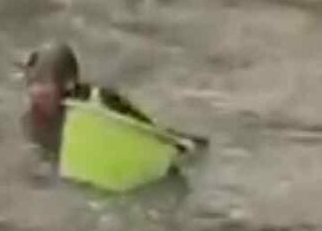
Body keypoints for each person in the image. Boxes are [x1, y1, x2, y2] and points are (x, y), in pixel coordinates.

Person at [19, 42, 207, 166]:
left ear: (68, 83)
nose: (36, 92)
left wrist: (181, 146)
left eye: (43, 83)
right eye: (32, 83)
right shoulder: (31, 122)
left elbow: (144, 128)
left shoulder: (99, 102)